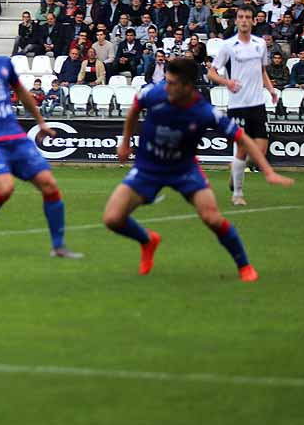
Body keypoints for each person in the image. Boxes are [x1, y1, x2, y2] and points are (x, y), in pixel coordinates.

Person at [103, 57, 294, 282]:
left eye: (172, 83)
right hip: (148, 168)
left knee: (212, 218)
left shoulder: (204, 112)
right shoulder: (154, 94)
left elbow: (243, 138)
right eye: (166, 81)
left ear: (187, 86)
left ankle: (244, 266)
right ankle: (148, 240)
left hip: (184, 170)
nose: (167, 86)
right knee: (112, 219)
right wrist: (126, 142)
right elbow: (134, 110)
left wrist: (268, 171)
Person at [0, 23, 79, 259]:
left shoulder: (2, 64)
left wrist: (41, 122)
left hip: (16, 137)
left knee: (49, 184)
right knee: (5, 188)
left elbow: (23, 94)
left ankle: (58, 246)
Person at [207, 4, 278, 207]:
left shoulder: (260, 44)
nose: (245, 20)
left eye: (248, 17)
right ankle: (237, 193)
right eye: (241, 17)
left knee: (260, 151)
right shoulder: (228, 45)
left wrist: (271, 90)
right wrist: (226, 82)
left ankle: (235, 169)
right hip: (238, 105)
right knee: (242, 148)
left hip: (257, 103)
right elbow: (212, 72)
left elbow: (262, 71)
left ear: (254, 21)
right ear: (236, 21)